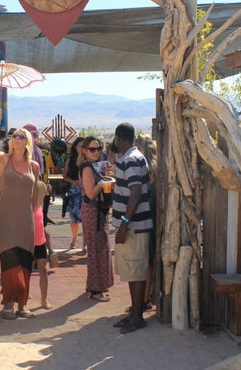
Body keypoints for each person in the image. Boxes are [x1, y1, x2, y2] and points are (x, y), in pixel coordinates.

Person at [0, 108, 39, 319]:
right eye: (14, 136)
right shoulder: (4, 160)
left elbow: (34, 196)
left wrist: (36, 218)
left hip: (26, 220)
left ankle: (22, 304)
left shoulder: (33, 167)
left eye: (21, 136)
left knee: (25, 260)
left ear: (27, 142)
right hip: (5, 218)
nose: (16, 139)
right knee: (9, 259)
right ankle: (8, 302)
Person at [110, 122, 152, 333]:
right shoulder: (128, 159)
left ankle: (138, 316)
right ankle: (134, 313)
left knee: (136, 271)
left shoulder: (132, 160)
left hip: (134, 226)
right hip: (131, 226)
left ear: (119, 138)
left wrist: (124, 225)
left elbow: (135, 194)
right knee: (131, 271)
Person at [78, 136, 114, 303]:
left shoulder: (97, 167)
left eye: (98, 149)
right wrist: (104, 182)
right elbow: (91, 192)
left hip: (99, 211)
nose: (96, 152)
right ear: (84, 151)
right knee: (95, 249)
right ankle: (94, 289)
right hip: (92, 211)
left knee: (101, 247)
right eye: (92, 149)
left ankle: (98, 286)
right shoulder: (87, 168)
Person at [135, 134, 157, 312]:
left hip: (146, 216)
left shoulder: (144, 169)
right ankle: (146, 297)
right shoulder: (157, 169)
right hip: (155, 216)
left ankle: (144, 299)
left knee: (146, 260)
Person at [32, 178, 52, 309]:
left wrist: (50, 248)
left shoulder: (40, 207)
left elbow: (43, 228)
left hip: (40, 244)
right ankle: (22, 298)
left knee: (43, 271)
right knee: (25, 272)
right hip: (29, 243)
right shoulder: (28, 208)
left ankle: (44, 299)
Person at [62, 137, 84, 249]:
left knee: (86, 219)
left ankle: (85, 242)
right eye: (79, 146)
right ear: (75, 147)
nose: (81, 148)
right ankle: (75, 237)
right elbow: (64, 176)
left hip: (86, 192)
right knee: (73, 219)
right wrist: (73, 182)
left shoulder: (88, 159)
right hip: (74, 192)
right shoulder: (70, 160)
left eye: (83, 146)